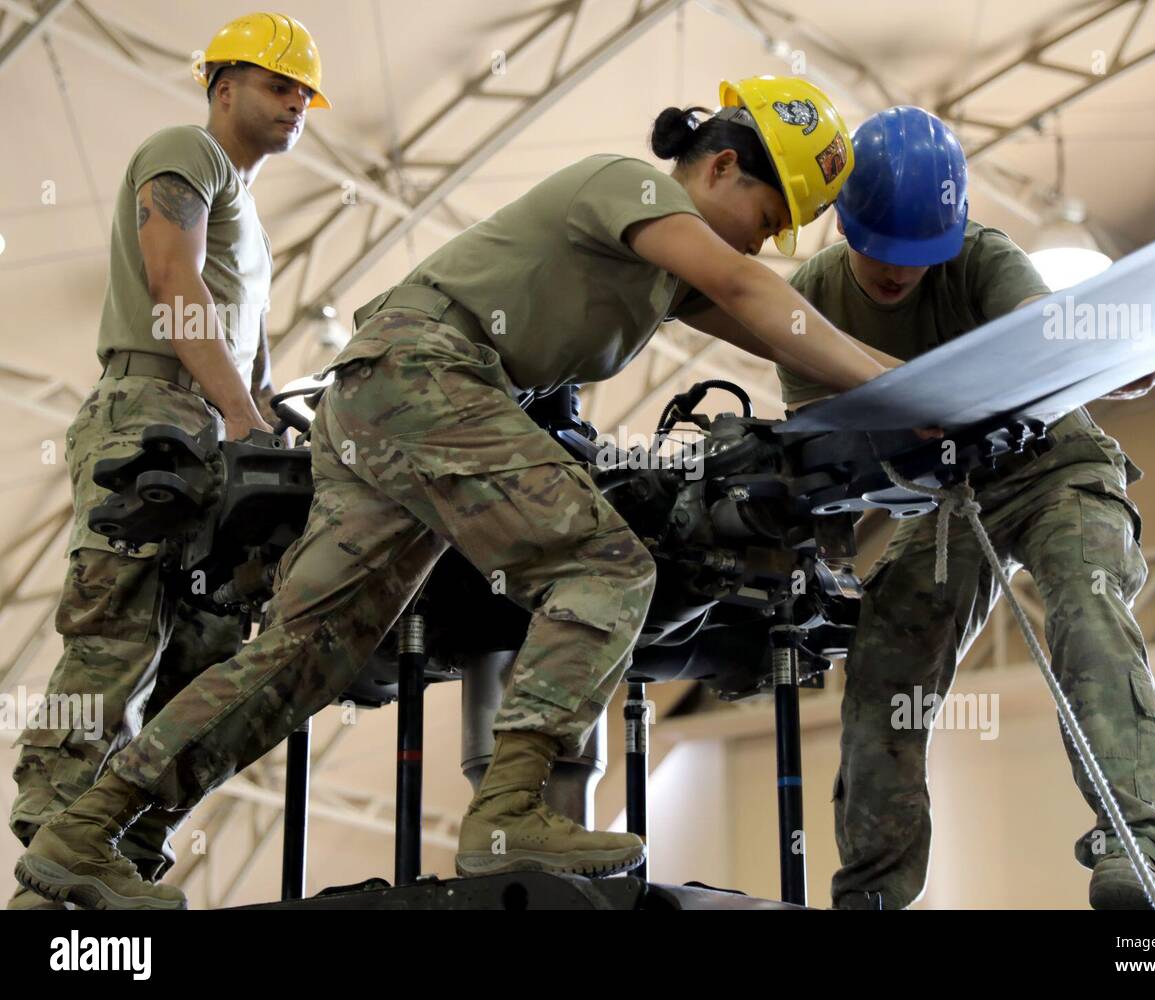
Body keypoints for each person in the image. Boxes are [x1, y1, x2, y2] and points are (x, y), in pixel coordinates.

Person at [15, 76, 906, 909]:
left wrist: (897, 381)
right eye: (768, 213)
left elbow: (776, 329)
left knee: (302, 656)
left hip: (380, 396)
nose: (763, 240)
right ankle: (511, 809)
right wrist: (911, 395)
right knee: (606, 564)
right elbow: (752, 289)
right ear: (719, 165)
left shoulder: (668, 270)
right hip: (422, 373)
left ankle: (88, 831)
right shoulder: (629, 187)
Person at [785, 106, 1155, 909]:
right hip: (940, 495)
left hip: (1053, 464)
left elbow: (1046, 338)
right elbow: (820, 453)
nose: (897, 274)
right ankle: (872, 890)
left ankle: (1133, 849)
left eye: (916, 257)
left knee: (1090, 609)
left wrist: (1115, 358)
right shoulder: (810, 299)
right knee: (884, 663)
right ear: (842, 222)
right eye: (878, 252)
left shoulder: (982, 258)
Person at [7, 12, 328, 910]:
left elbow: (247, 359)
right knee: (117, 633)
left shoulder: (253, 229)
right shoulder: (188, 151)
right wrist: (238, 415)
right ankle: (61, 820)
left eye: (304, 92)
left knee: (210, 645)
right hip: (149, 412)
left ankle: (121, 839)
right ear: (223, 87)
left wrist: (267, 434)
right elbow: (172, 283)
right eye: (278, 84)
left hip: (211, 430)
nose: (296, 103)